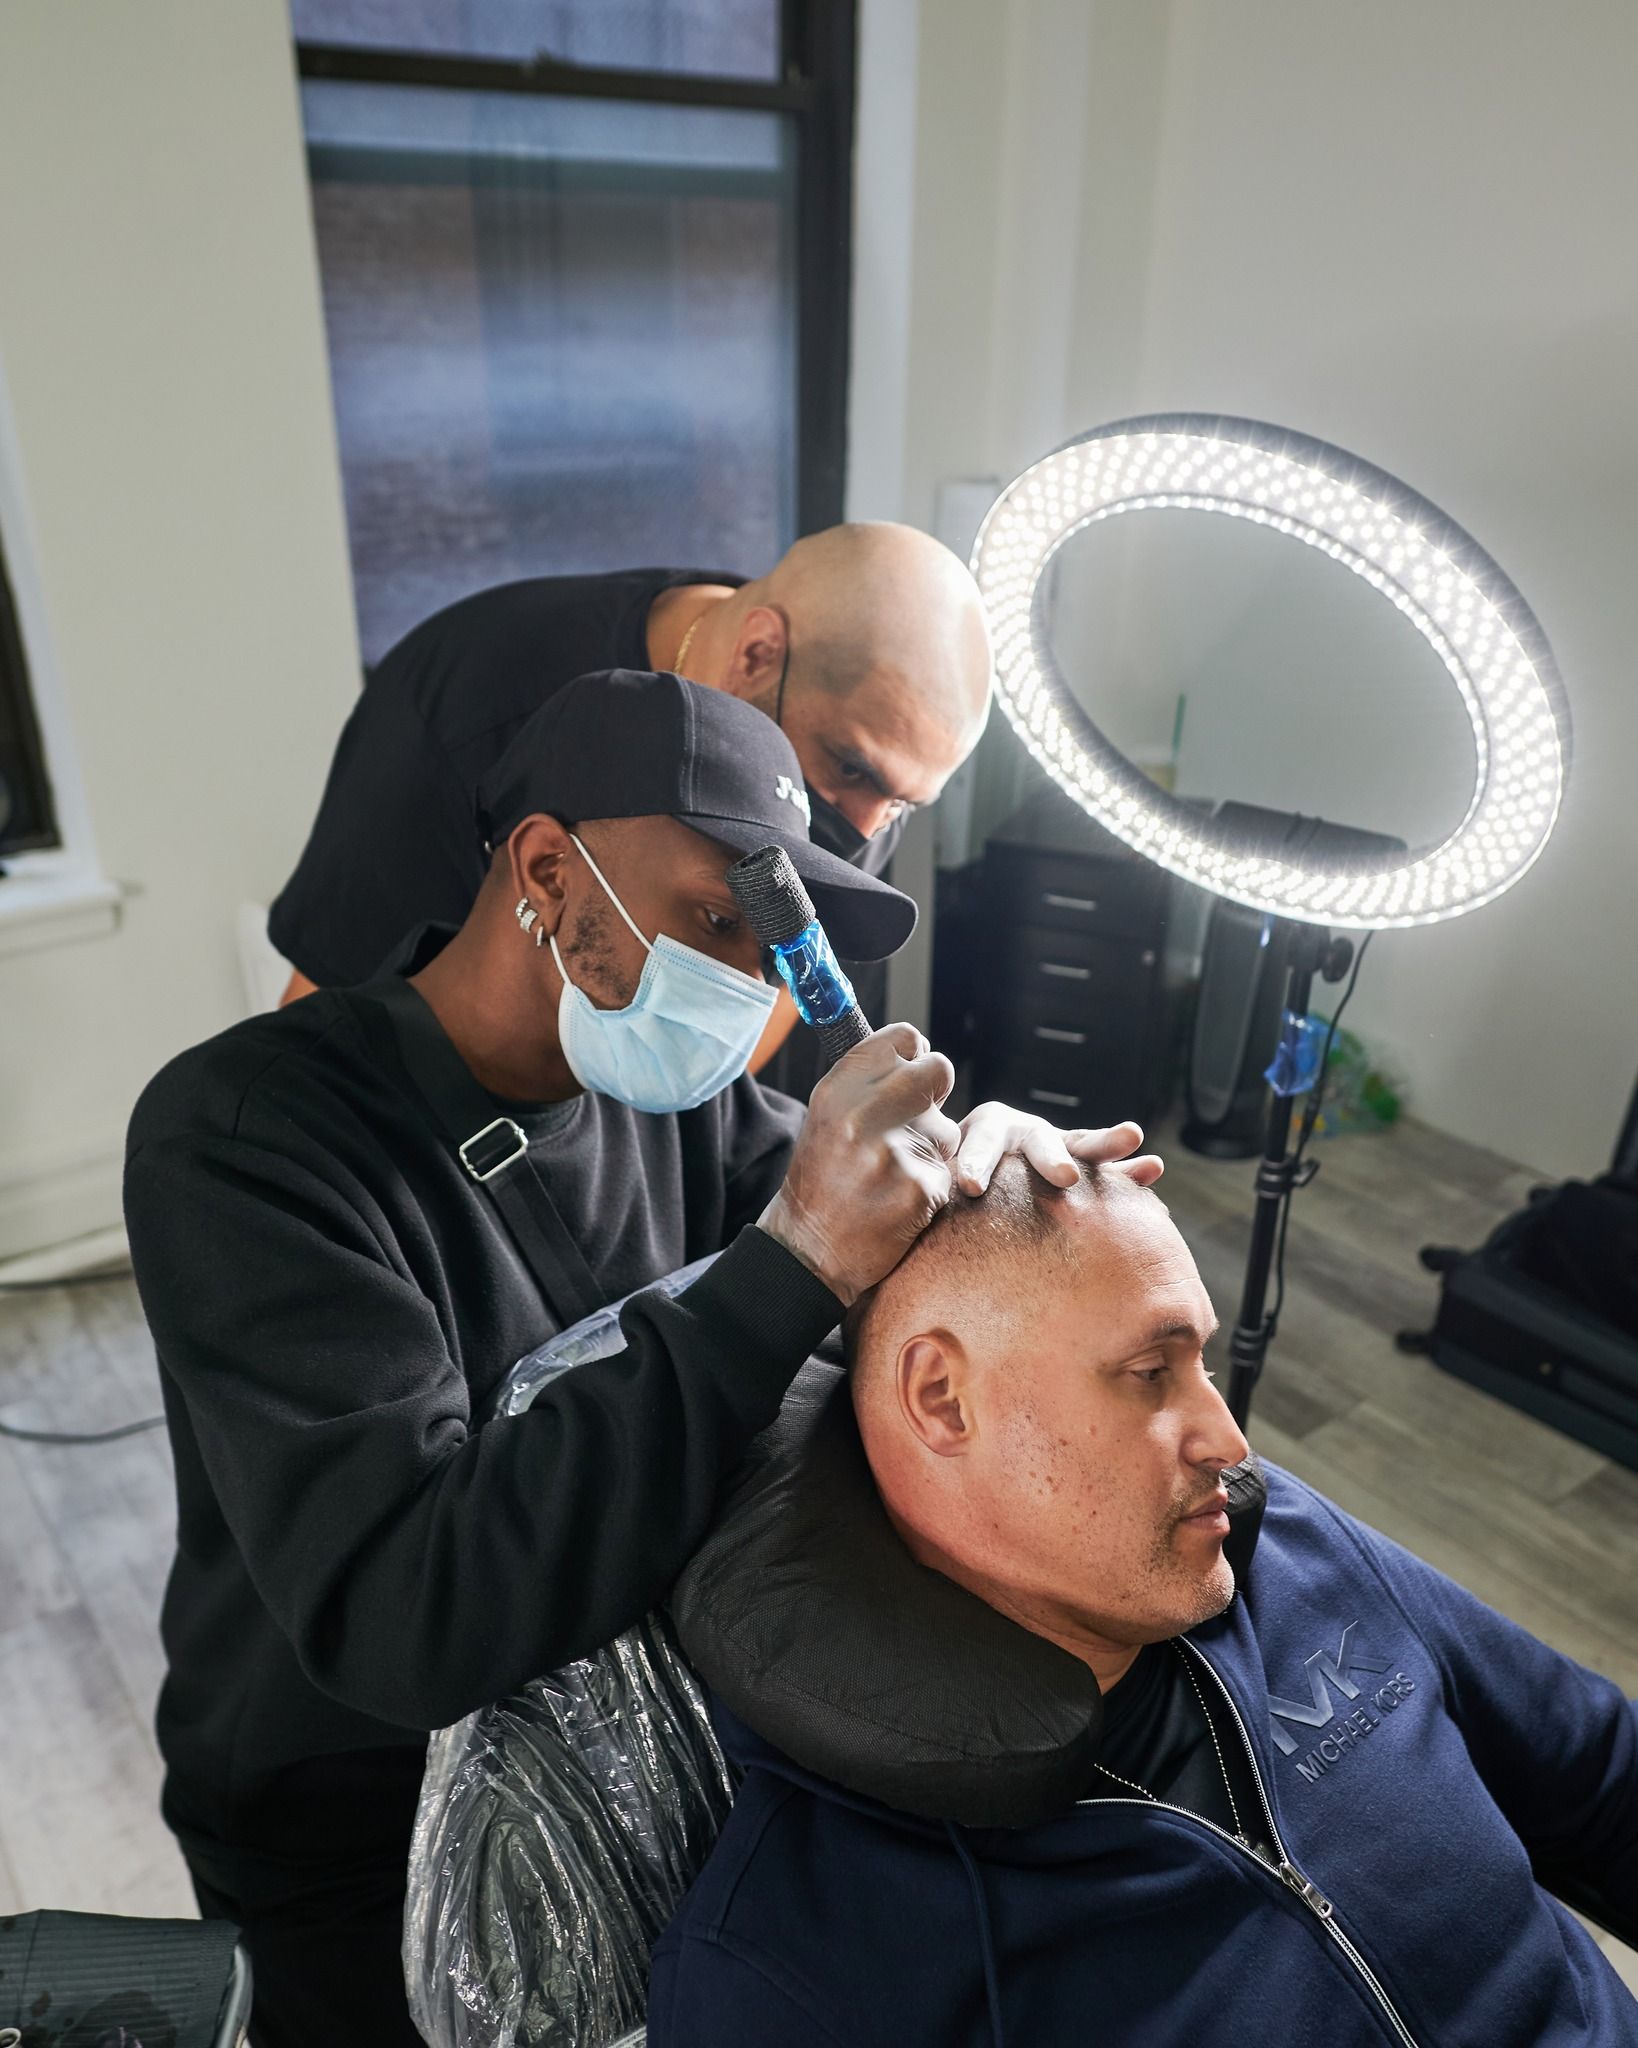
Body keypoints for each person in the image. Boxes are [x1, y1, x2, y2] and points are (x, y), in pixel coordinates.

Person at [125, 671, 1153, 2048]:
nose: (736, 991)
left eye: (763, 951)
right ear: (546, 870)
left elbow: (884, 1273)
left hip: (618, 1768)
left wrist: (989, 1191)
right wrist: (787, 1266)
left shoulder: (680, 1105)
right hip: (344, 1826)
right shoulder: (250, 1140)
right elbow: (407, 1614)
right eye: (711, 921)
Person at [649, 1158, 1638, 2047]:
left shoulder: (1284, 1544)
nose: (1233, 1441)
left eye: (1202, 1363)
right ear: (944, 1398)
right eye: (1149, 1372)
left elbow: (1605, 1778)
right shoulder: (800, 1960)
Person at [269, 522, 994, 1091]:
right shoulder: (469, 709)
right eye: (851, 768)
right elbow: (319, 1037)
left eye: (902, 805)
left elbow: (765, 1003)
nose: (863, 830)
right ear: (755, 654)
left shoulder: (857, 765)